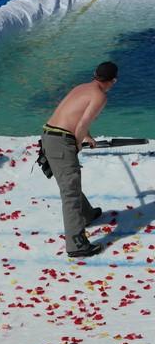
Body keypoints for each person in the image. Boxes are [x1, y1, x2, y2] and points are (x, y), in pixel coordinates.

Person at [40, 62, 118, 258]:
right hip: (61, 142)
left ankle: (87, 214)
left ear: (95, 75)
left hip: (49, 136)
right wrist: (76, 145)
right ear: (113, 81)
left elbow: (77, 118)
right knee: (70, 193)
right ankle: (76, 245)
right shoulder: (100, 96)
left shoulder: (81, 87)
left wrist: (86, 137)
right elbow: (82, 124)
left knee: (70, 183)